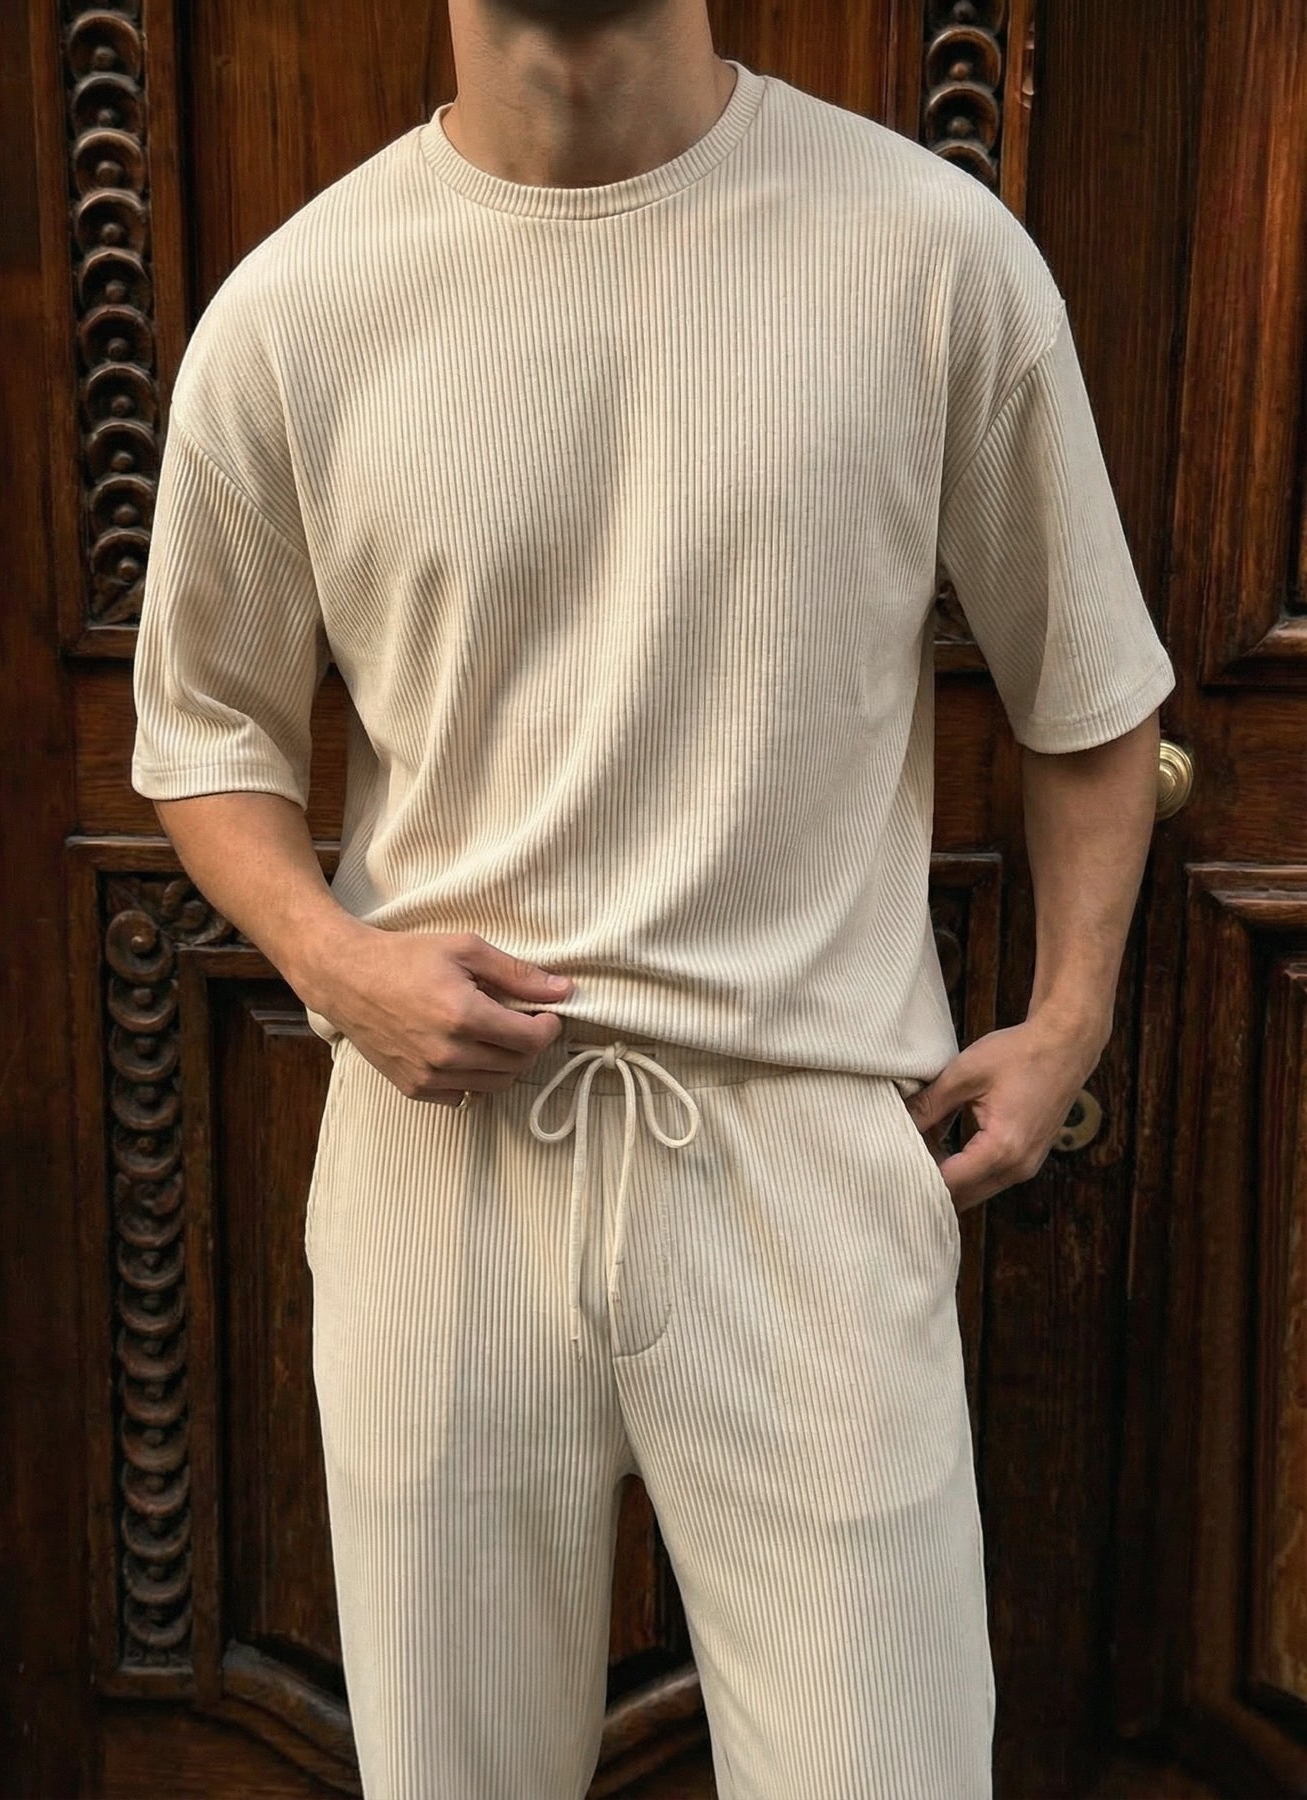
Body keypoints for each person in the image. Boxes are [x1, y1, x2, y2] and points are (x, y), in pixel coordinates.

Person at [129, 0, 1177, 1793]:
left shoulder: (931, 258)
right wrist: (332, 960)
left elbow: (1088, 690)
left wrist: (1069, 1020)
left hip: (804, 1155)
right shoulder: (297, 309)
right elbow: (204, 729)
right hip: (440, 1169)